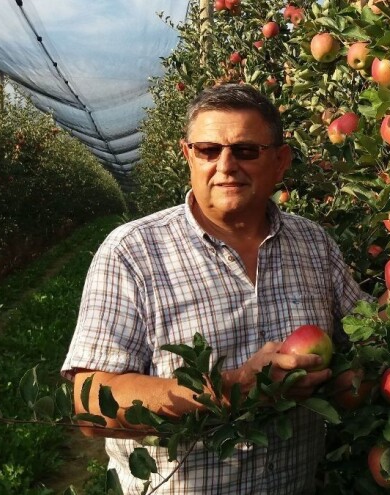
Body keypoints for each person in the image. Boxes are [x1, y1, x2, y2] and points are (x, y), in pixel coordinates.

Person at [62, 83, 368, 494]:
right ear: (188, 156)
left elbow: (368, 330)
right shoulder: (132, 252)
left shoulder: (313, 244)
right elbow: (89, 403)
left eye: (245, 150)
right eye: (208, 150)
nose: (225, 165)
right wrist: (230, 390)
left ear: (280, 162)